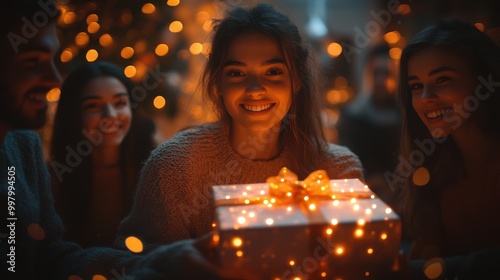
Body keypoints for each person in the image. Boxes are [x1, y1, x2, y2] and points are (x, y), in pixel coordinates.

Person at [0, 1, 239, 279]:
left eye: (119, 102)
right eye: (32, 61)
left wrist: (158, 261)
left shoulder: (22, 146)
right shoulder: (55, 175)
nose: (54, 79)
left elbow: (50, 257)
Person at [115, 2, 363, 254]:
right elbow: (137, 261)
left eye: (273, 71)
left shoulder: (338, 173)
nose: (255, 89)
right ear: (218, 82)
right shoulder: (175, 168)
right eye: (236, 73)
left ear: (296, 80)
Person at [391, 18, 500, 279]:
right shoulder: (435, 170)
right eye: (416, 86)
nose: (426, 97)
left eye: (442, 79)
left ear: (483, 81)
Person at [50, 61, 156, 248]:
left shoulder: (158, 169)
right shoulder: (52, 180)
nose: (110, 115)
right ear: (73, 115)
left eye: (119, 103)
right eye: (93, 106)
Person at [336, 43, 401, 202]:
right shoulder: (353, 115)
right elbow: (347, 163)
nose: (381, 80)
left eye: (386, 73)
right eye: (376, 72)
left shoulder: (404, 114)